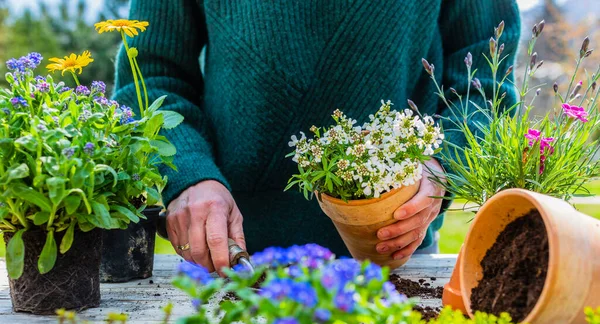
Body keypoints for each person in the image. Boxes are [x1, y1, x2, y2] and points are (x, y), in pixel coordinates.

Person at [114, 0, 520, 275]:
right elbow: (152, 77)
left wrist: (440, 165)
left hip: (393, 255)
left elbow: (483, 86)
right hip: (229, 257)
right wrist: (189, 175)